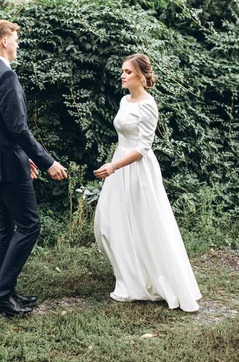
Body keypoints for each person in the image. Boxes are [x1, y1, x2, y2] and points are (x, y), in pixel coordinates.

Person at [93, 54, 202, 312]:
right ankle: (128, 275)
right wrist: (114, 163)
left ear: (141, 76)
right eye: (122, 71)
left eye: (128, 72)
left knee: (143, 223)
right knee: (109, 222)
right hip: (118, 163)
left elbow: (143, 148)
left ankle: (146, 280)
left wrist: (114, 166)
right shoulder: (123, 100)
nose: (122, 75)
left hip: (136, 168)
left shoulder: (148, 105)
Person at [0, 19, 68, 316]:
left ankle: (6, 292)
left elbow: (2, 129)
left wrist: (23, 154)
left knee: (4, 229)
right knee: (30, 226)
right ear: (4, 41)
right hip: (8, 168)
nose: (18, 45)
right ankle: (1, 295)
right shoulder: (5, 76)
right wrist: (48, 161)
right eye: (15, 39)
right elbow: (18, 128)